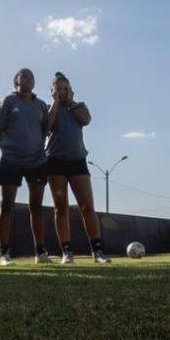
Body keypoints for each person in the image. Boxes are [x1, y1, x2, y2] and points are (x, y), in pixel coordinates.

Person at [45, 72, 109, 264]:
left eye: (66, 88)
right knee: (60, 208)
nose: (63, 92)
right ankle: (67, 252)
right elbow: (46, 127)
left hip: (77, 161)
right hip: (55, 161)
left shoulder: (79, 106)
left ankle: (97, 252)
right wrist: (56, 103)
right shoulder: (49, 108)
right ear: (52, 91)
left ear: (71, 90)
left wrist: (72, 103)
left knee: (87, 207)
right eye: (59, 89)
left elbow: (85, 120)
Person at [0, 67, 51, 264]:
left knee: (36, 206)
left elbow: (45, 131)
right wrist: (8, 149)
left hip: (37, 161)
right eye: (23, 76)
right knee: (7, 204)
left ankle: (40, 252)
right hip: (11, 160)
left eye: (31, 76)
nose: (27, 79)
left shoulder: (41, 105)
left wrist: (38, 149)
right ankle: (4, 252)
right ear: (16, 81)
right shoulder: (9, 101)